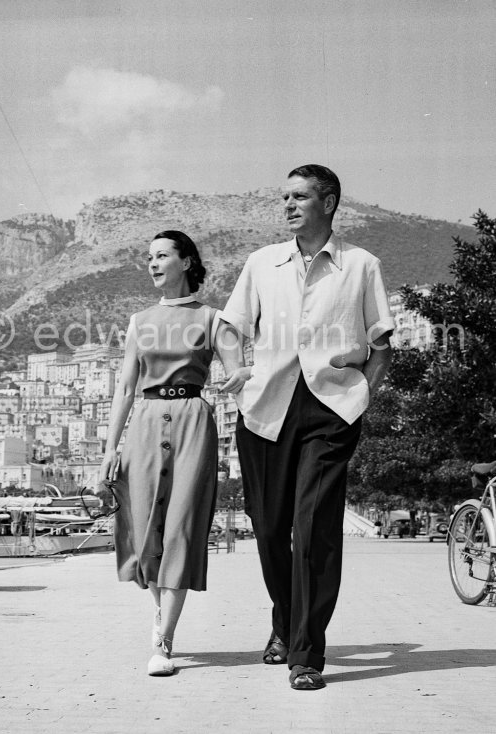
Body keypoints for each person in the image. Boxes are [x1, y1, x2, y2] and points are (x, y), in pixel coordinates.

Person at [220, 164, 395, 691]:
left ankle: (306, 654)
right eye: (285, 198)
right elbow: (229, 328)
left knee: (314, 526)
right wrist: (234, 370)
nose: (288, 206)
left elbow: (382, 341)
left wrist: (363, 393)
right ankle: (284, 623)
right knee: (271, 528)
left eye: (299, 197)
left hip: (330, 408)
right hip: (264, 408)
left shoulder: (361, 265)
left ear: (330, 202)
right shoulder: (261, 263)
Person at [99, 230, 248, 677]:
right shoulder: (138, 320)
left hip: (192, 423)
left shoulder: (213, 317)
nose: (152, 263)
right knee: (143, 527)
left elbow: (237, 369)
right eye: (149, 256)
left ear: (186, 262)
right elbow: (125, 387)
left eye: (162, 255)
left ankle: (164, 641)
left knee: (180, 527)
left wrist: (240, 375)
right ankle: (161, 613)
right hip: (144, 423)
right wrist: (109, 449)